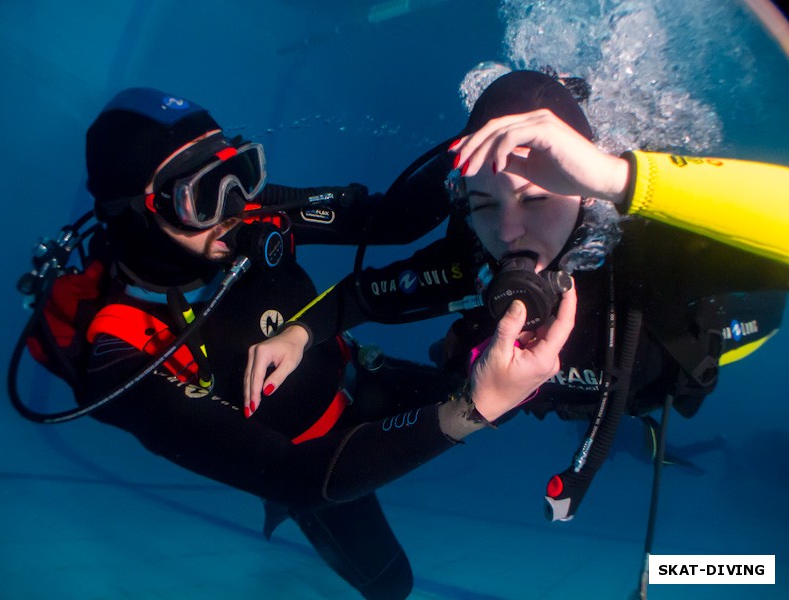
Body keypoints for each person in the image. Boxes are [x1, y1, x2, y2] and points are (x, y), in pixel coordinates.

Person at [67, 86, 575, 599]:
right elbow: (293, 477)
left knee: (519, 397)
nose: (233, 206)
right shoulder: (120, 355)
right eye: (201, 195)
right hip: (318, 460)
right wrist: (474, 407)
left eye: (236, 174)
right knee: (392, 582)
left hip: (360, 375)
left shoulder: (253, 211)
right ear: (134, 213)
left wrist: (489, 129)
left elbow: (393, 222)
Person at [247, 69, 789, 523]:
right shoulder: (473, 264)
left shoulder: (652, 252)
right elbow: (365, 296)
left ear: (584, 187)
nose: (506, 233)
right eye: (484, 205)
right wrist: (299, 333)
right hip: (574, 391)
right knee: (457, 359)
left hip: (693, 350)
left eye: (535, 199)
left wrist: (623, 180)